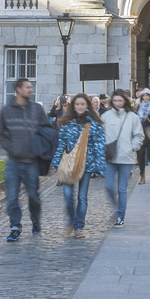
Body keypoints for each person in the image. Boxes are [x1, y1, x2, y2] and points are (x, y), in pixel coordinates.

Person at [0, 78, 50, 242]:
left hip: (31, 162)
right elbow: (1, 134)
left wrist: (40, 148)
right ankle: (15, 226)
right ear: (18, 89)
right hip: (13, 162)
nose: (31, 90)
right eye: (27, 87)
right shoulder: (6, 111)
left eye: (31, 87)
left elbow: (47, 130)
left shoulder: (37, 109)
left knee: (34, 197)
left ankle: (35, 220)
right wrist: (11, 148)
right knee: (12, 197)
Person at [51, 93, 105, 239]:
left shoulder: (94, 123)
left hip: (86, 165)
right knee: (68, 195)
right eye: (77, 104)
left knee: (82, 197)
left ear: (87, 106)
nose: (80, 107)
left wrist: (100, 167)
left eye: (83, 104)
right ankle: (71, 220)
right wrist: (55, 162)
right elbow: (61, 144)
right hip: (70, 164)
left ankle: (79, 226)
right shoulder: (67, 123)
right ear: (73, 106)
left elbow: (99, 146)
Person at [102, 89, 144, 228]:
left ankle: (121, 216)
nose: (117, 103)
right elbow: (101, 134)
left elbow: (139, 135)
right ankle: (116, 206)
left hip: (126, 157)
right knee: (108, 185)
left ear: (125, 101)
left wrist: (132, 147)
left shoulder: (132, 117)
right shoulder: (106, 116)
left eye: (120, 101)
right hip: (110, 157)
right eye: (115, 101)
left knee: (122, 189)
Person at [135, 90, 150, 185]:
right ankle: (142, 176)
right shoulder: (138, 106)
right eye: (144, 96)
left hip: (149, 132)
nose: (146, 97)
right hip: (140, 132)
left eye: (148, 96)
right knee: (141, 155)